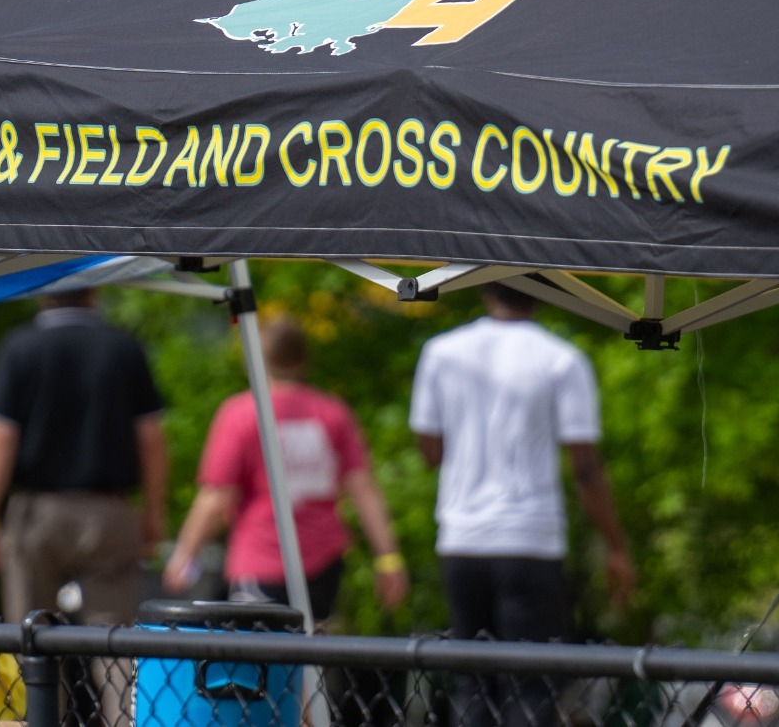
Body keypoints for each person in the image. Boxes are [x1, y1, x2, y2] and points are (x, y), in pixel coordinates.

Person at [411, 282, 632, 727]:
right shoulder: (561, 359)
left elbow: (430, 452)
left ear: (484, 288)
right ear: (543, 291)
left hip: (462, 538)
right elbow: (585, 467)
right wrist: (616, 545)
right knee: (531, 685)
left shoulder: (441, 352)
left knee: (471, 680)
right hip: (531, 539)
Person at [162, 315, 408, 622]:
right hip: (324, 562)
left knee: (256, 662)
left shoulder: (241, 414)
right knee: (312, 658)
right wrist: (388, 558)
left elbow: (216, 497)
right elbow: (363, 490)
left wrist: (185, 555)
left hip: (260, 558)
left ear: (255, 359)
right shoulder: (333, 413)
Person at [0, 283, 168, 625]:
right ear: (95, 292)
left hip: (36, 513)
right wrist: (153, 511)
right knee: (113, 639)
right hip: (108, 510)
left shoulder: (19, 348)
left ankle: (37, 678)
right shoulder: (123, 348)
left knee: (32, 636)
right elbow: (150, 439)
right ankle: (116, 679)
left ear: (41, 293)